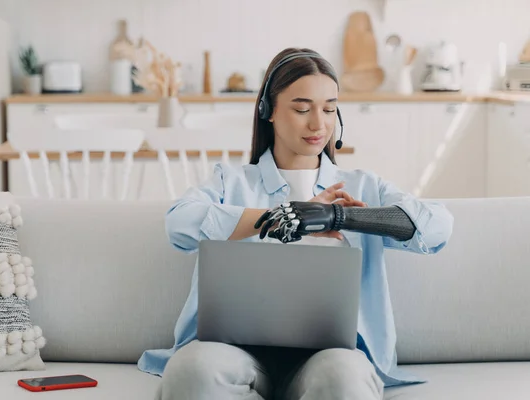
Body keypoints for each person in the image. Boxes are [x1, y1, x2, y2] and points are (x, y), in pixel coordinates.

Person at [137, 47, 454, 400]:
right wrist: (282, 216)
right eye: (302, 109)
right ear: (268, 111)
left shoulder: (363, 186)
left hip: (330, 358)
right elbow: (179, 225)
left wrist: (340, 216)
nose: (319, 124)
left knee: (344, 377)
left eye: (330, 108)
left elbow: (438, 227)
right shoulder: (231, 182)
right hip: (231, 353)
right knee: (192, 370)